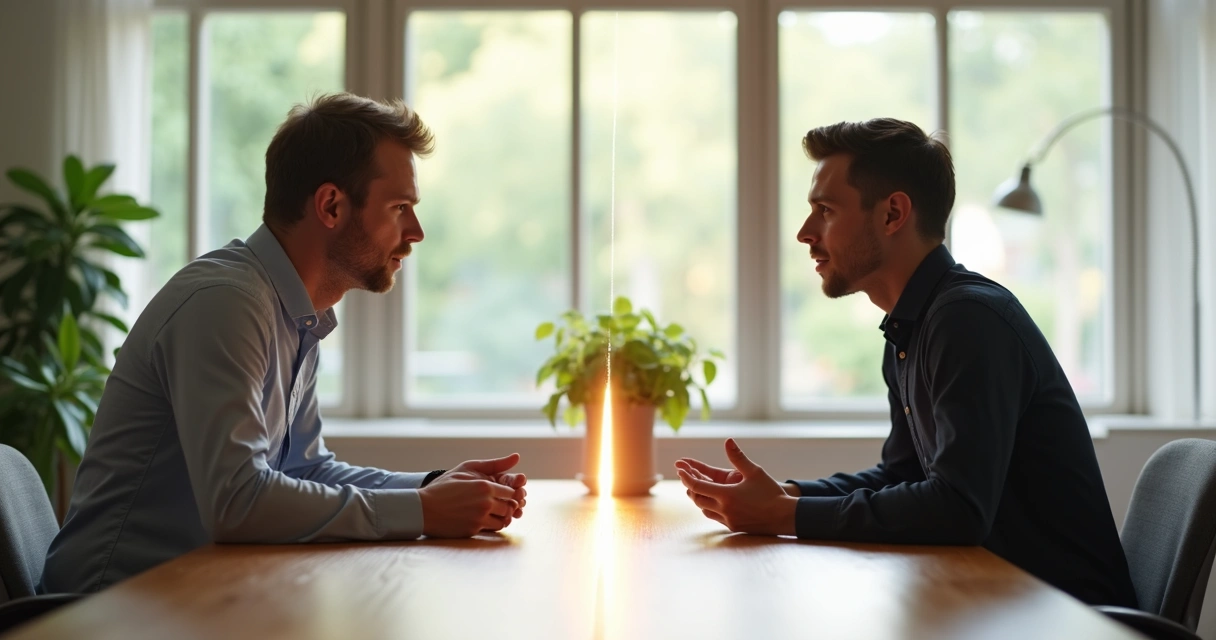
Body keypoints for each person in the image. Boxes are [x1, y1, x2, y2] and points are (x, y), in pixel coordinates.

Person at [41, 93, 527, 594]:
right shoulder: (226, 303)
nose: (417, 232)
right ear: (331, 206)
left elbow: (305, 468)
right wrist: (423, 511)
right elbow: (237, 502)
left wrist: (432, 489)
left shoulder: (298, 313)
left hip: (188, 599)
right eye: (399, 207)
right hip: (105, 608)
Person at [675, 118, 1138, 607]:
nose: (805, 233)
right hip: (1001, 603)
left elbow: (958, 509)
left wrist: (782, 516)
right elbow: (902, 476)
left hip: (1071, 620)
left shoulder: (967, 321)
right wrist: (784, 494)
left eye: (826, 211)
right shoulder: (911, 327)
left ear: (893, 213)